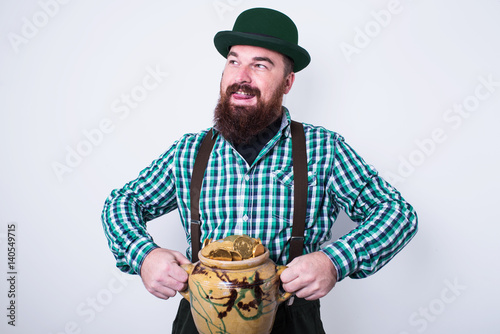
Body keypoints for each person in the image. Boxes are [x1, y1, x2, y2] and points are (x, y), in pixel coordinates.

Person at [101, 7, 418, 334]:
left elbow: (397, 214)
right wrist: (145, 257)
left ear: (288, 82)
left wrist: (334, 261)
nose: (241, 76)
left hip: (291, 321)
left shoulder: (324, 150)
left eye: (260, 65)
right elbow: (121, 203)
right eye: (234, 61)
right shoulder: (189, 152)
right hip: (202, 318)